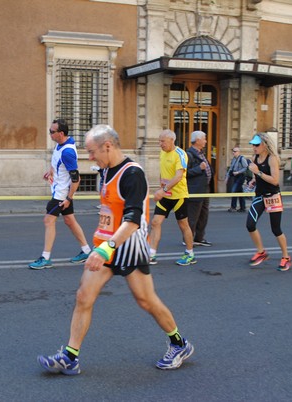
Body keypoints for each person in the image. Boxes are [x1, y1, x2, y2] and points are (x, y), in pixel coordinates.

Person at [37, 124, 194, 375]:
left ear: (107, 146)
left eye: (91, 151)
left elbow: (132, 220)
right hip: (105, 246)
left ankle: (179, 344)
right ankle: (70, 356)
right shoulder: (106, 170)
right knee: (83, 296)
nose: (89, 157)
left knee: (146, 301)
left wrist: (106, 249)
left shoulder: (132, 174)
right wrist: (102, 246)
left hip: (128, 246)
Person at [29, 118, 91, 269]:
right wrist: (51, 172)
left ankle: (45, 258)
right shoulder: (60, 145)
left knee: (48, 221)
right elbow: (57, 162)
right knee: (70, 221)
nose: (49, 134)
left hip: (61, 195)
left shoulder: (68, 152)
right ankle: (87, 251)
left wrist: (68, 198)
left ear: (61, 133)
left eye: (52, 132)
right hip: (60, 191)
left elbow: (76, 178)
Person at [148, 129, 196, 266]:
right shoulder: (162, 152)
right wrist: (160, 188)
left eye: (162, 141)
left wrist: (162, 190)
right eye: (159, 141)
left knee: (183, 225)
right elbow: (163, 172)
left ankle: (190, 254)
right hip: (165, 195)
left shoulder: (180, 154)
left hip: (179, 196)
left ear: (171, 140)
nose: (160, 144)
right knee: (155, 222)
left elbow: (178, 176)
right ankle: (151, 254)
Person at [246, 133, 292, 271]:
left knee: (276, 229)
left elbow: (275, 180)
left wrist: (258, 173)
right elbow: (257, 176)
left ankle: (286, 257)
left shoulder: (272, 159)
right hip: (260, 195)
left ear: (265, 145)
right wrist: (253, 181)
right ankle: (261, 252)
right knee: (250, 224)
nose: (254, 147)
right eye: (253, 144)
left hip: (273, 196)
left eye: (256, 145)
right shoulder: (254, 158)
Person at [185, 131, 212, 246]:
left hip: (205, 189)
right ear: (197, 140)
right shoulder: (189, 154)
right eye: (204, 139)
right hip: (195, 190)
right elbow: (184, 173)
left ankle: (199, 238)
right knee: (193, 216)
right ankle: (188, 239)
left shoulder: (201, 153)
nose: (206, 141)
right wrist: (199, 168)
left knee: (203, 214)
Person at [226, 146, 249, 212]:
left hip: (241, 176)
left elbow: (246, 167)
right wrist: (227, 177)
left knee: (234, 190)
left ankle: (233, 207)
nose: (233, 152)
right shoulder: (234, 159)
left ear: (239, 152)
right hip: (235, 176)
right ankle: (243, 207)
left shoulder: (242, 158)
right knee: (240, 192)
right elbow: (231, 168)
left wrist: (238, 172)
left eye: (235, 151)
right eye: (233, 151)